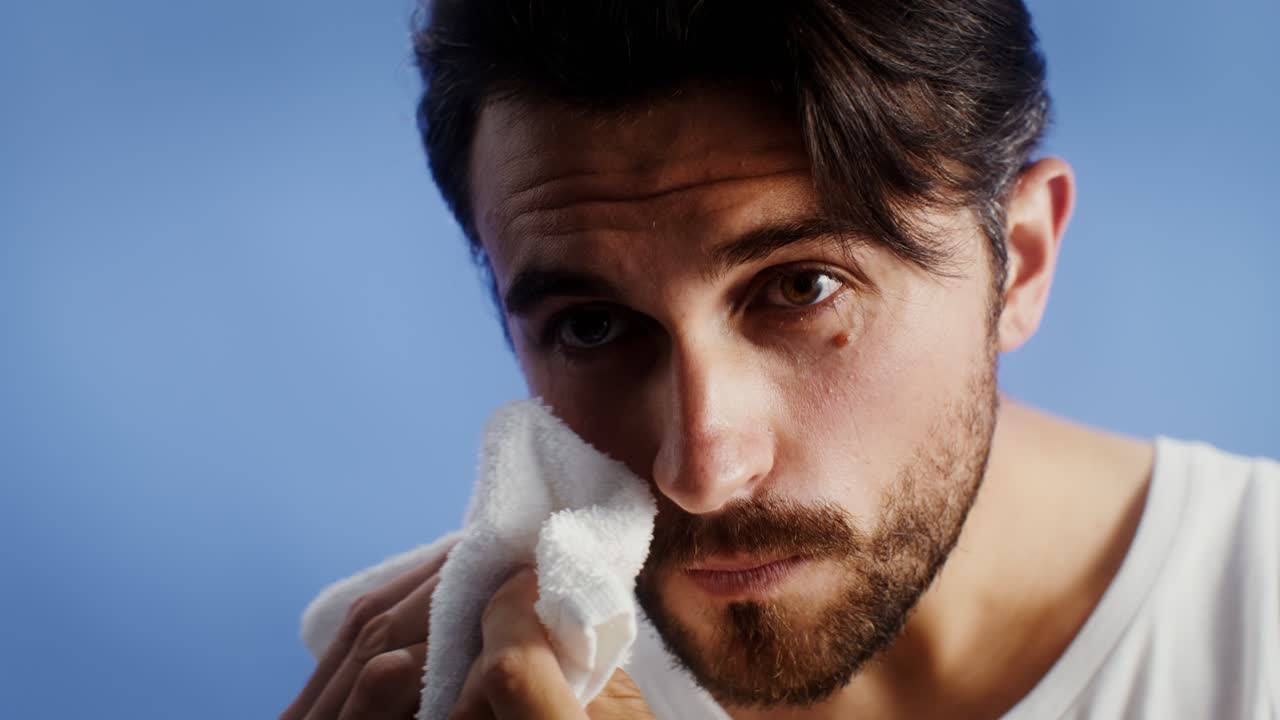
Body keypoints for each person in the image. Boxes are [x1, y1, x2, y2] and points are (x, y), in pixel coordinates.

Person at [281, 1, 1280, 718]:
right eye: (591, 326)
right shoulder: (462, 683)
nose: (701, 470)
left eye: (800, 288)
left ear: (1016, 262)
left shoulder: (1255, 616)